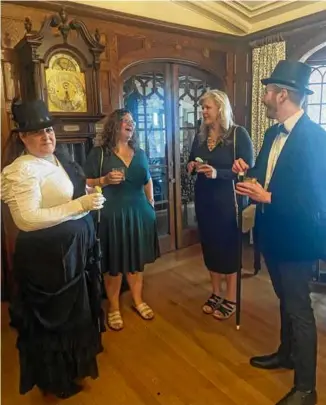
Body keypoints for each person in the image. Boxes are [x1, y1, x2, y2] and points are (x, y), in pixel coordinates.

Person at [233, 60, 326, 405]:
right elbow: (262, 173)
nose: (263, 98)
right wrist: (247, 173)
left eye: (267, 92)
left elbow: (317, 198)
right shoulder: (272, 133)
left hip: (298, 238)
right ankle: (286, 355)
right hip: (270, 232)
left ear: (282, 94)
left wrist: (268, 196)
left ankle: (306, 389)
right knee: (285, 301)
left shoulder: (317, 139)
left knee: (299, 309)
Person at [1, 99, 106, 399]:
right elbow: (27, 219)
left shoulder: (55, 158)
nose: (46, 137)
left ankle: (73, 369)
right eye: (37, 133)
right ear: (22, 137)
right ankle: (54, 380)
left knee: (75, 315)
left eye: (49, 130)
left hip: (72, 254)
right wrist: (79, 205)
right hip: (47, 261)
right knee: (55, 319)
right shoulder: (20, 171)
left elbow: (65, 193)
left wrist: (89, 197)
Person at [84, 108, 160, 331]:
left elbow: (147, 180)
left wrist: (151, 202)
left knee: (136, 261)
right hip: (112, 216)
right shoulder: (98, 154)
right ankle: (114, 307)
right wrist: (104, 180)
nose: (131, 124)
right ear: (114, 125)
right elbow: (86, 184)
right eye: (125, 120)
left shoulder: (141, 153)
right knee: (114, 263)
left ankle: (137, 301)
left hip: (139, 215)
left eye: (132, 121)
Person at [187, 89, 254, 320]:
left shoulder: (238, 135)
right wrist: (192, 166)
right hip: (205, 199)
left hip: (228, 201)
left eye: (208, 107)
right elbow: (193, 158)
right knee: (210, 246)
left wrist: (218, 173)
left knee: (227, 248)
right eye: (202, 107)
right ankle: (215, 293)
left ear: (220, 109)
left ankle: (231, 297)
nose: (203, 111)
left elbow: (248, 170)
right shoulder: (199, 137)